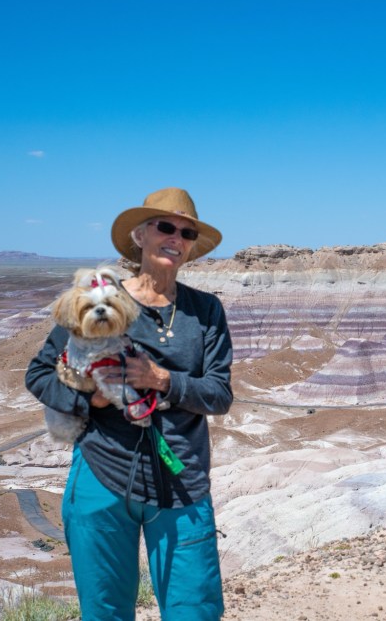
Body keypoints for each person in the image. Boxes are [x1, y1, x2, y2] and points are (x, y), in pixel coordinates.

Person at [26, 187, 232, 621]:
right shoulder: (102, 298)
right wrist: (92, 398)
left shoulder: (206, 310)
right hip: (103, 473)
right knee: (105, 611)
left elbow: (219, 394)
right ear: (139, 236)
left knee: (194, 609)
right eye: (165, 227)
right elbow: (39, 375)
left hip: (182, 480)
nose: (176, 238)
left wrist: (161, 380)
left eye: (187, 233)